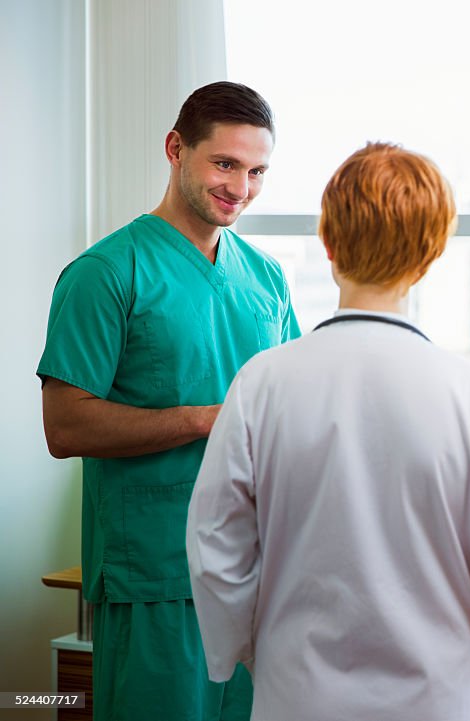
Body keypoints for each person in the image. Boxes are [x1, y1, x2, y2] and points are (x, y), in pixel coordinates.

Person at [185, 142, 470, 721]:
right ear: (432, 253)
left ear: (328, 242)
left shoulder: (261, 385)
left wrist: (252, 651)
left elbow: (216, 545)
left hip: (299, 696)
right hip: (448, 698)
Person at [37, 81, 300, 721]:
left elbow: (289, 403)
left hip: (256, 573)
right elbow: (65, 426)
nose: (241, 187)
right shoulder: (105, 274)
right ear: (175, 149)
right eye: (225, 164)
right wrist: (205, 420)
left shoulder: (266, 277)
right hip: (155, 572)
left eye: (257, 170)